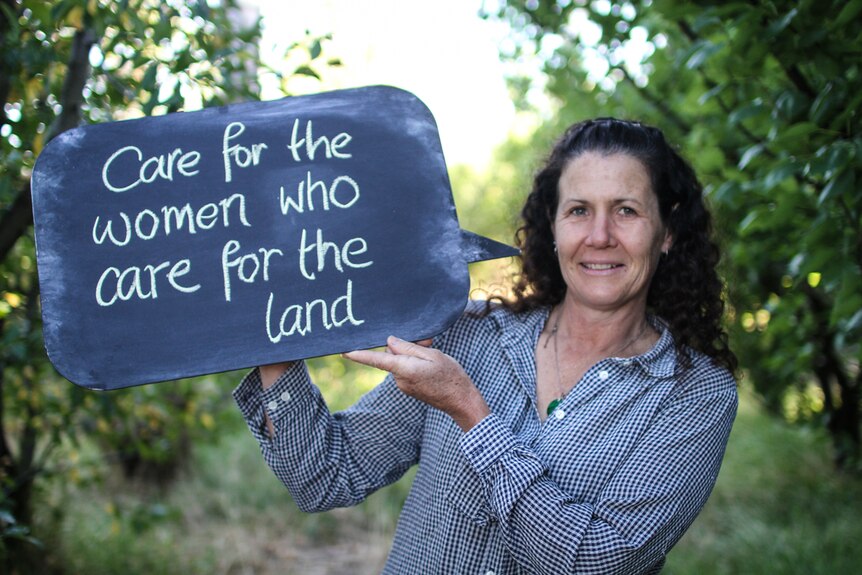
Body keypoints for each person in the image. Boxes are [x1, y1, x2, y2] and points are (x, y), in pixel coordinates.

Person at [234, 118, 739, 574]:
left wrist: (470, 412)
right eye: (579, 210)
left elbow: (594, 562)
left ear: (667, 232)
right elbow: (329, 473)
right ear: (554, 226)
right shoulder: (471, 333)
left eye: (626, 211)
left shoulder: (696, 395)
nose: (600, 235)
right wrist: (277, 340)